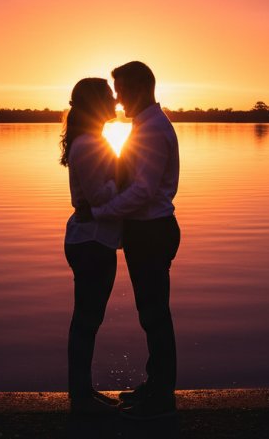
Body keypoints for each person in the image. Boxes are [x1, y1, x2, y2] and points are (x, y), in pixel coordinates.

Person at [78, 61, 181, 420]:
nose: (118, 101)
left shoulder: (151, 130)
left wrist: (101, 212)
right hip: (146, 230)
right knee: (151, 314)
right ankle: (156, 387)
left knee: (154, 315)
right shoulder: (145, 126)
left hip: (151, 231)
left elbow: (143, 190)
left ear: (138, 89)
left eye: (121, 92)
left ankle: (161, 396)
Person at [60, 77, 123, 415]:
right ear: (96, 103)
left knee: (88, 318)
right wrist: (125, 179)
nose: (116, 101)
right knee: (86, 319)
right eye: (110, 97)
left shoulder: (91, 141)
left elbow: (99, 193)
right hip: (91, 242)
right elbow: (101, 195)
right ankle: (81, 395)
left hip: (92, 239)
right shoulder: (89, 145)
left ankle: (82, 391)